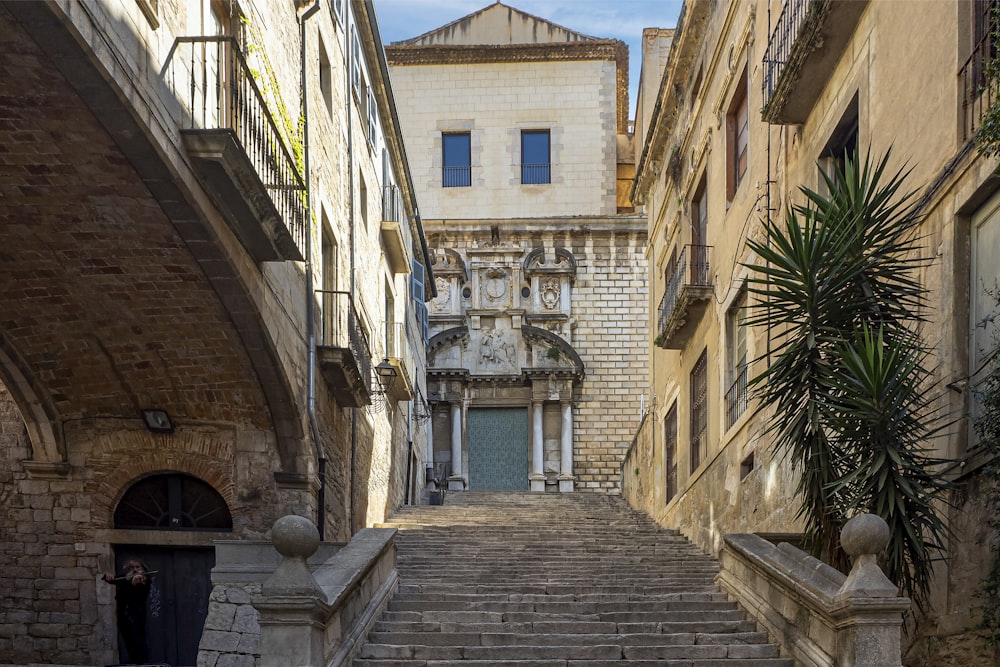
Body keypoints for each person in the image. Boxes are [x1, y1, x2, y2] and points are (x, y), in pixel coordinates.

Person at [103, 560, 151, 665]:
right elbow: (114, 580)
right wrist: (107, 576)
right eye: (132, 567)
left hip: (136, 614)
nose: (135, 570)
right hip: (123, 614)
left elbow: (138, 596)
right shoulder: (125, 577)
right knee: (127, 639)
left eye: (137, 567)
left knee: (138, 637)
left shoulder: (144, 580)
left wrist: (134, 585)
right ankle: (133, 660)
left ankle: (142, 662)